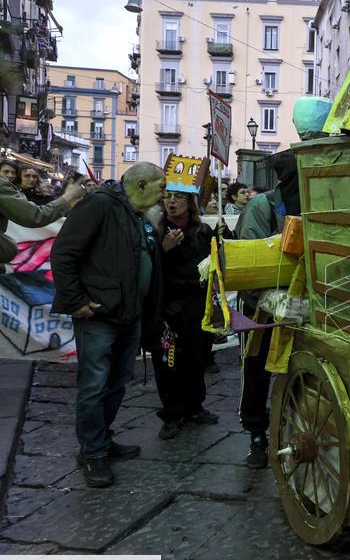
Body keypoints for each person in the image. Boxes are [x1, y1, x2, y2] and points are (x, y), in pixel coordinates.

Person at [51, 162, 165, 488]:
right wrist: (76, 301)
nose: (165, 194)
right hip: (99, 315)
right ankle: (92, 453)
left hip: (128, 314)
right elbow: (64, 253)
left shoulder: (135, 213)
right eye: (161, 187)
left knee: (116, 382)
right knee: (94, 385)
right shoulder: (100, 205)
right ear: (141, 184)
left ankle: (100, 440)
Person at [234, 151, 300, 467]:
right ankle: (256, 434)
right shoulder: (262, 206)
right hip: (259, 307)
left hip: (297, 305)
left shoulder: (307, 205)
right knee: (256, 370)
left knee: (291, 368)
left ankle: (288, 425)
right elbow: (250, 259)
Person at [151, 189, 220, 440]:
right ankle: (171, 413)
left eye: (178, 197)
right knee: (168, 361)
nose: (171, 201)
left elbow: (213, 265)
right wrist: (164, 249)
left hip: (196, 307)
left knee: (197, 357)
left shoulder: (203, 232)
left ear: (190, 203)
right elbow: (151, 270)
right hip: (168, 309)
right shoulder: (155, 233)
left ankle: (194, 406)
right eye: (168, 196)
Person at [0, 167, 84, 265]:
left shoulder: (46, 198)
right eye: (27, 176)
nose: (31, 179)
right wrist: (69, 195)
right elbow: (35, 215)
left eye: (34, 176)